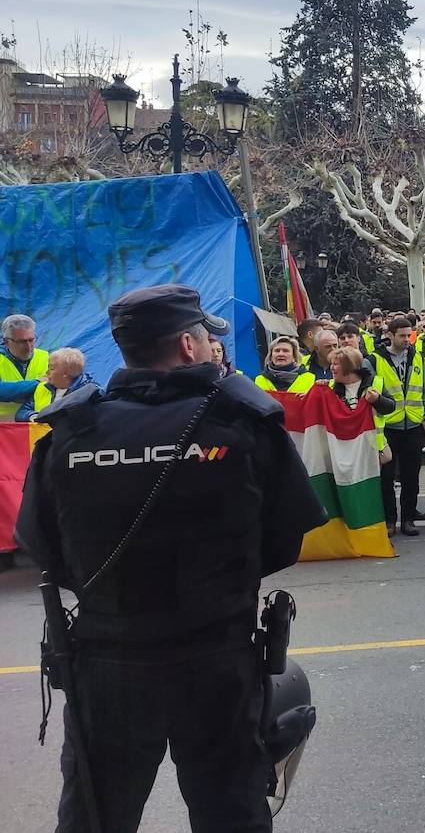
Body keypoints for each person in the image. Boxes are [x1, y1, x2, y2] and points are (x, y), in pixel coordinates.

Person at [15, 283, 326, 833]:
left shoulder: (70, 431)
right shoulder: (244, 424)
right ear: (188, 345)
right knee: (230, 809)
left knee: (95, 813)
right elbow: (284, 541)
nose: (210, 347)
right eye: (207, 337)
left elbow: (41, 546)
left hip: (106, 660)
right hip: (215, 658)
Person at [373, 317, 425, 537]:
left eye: (410, 335)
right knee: (386, 477)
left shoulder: (418, 358)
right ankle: (389, 520)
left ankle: (408, 519)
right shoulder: (376, 359)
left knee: (411, 476)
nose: (407, 340)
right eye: (402, 336)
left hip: (414, 425)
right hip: (387, 426)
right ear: (390, 335)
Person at [18, 348, 96, 421]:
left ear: (65, 373)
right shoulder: (42, 387)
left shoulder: (89, 393)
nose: (47, 372)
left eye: (51, 368)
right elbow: (21, 413)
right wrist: (34, 416)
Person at [0, 313, 47, 421]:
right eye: (22, 341)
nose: (28, 346)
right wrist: (37, 383)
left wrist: (16, 391)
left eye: (31, 340)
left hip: (37, 427)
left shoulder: (46, 357)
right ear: (6, 342)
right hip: (4, 429)